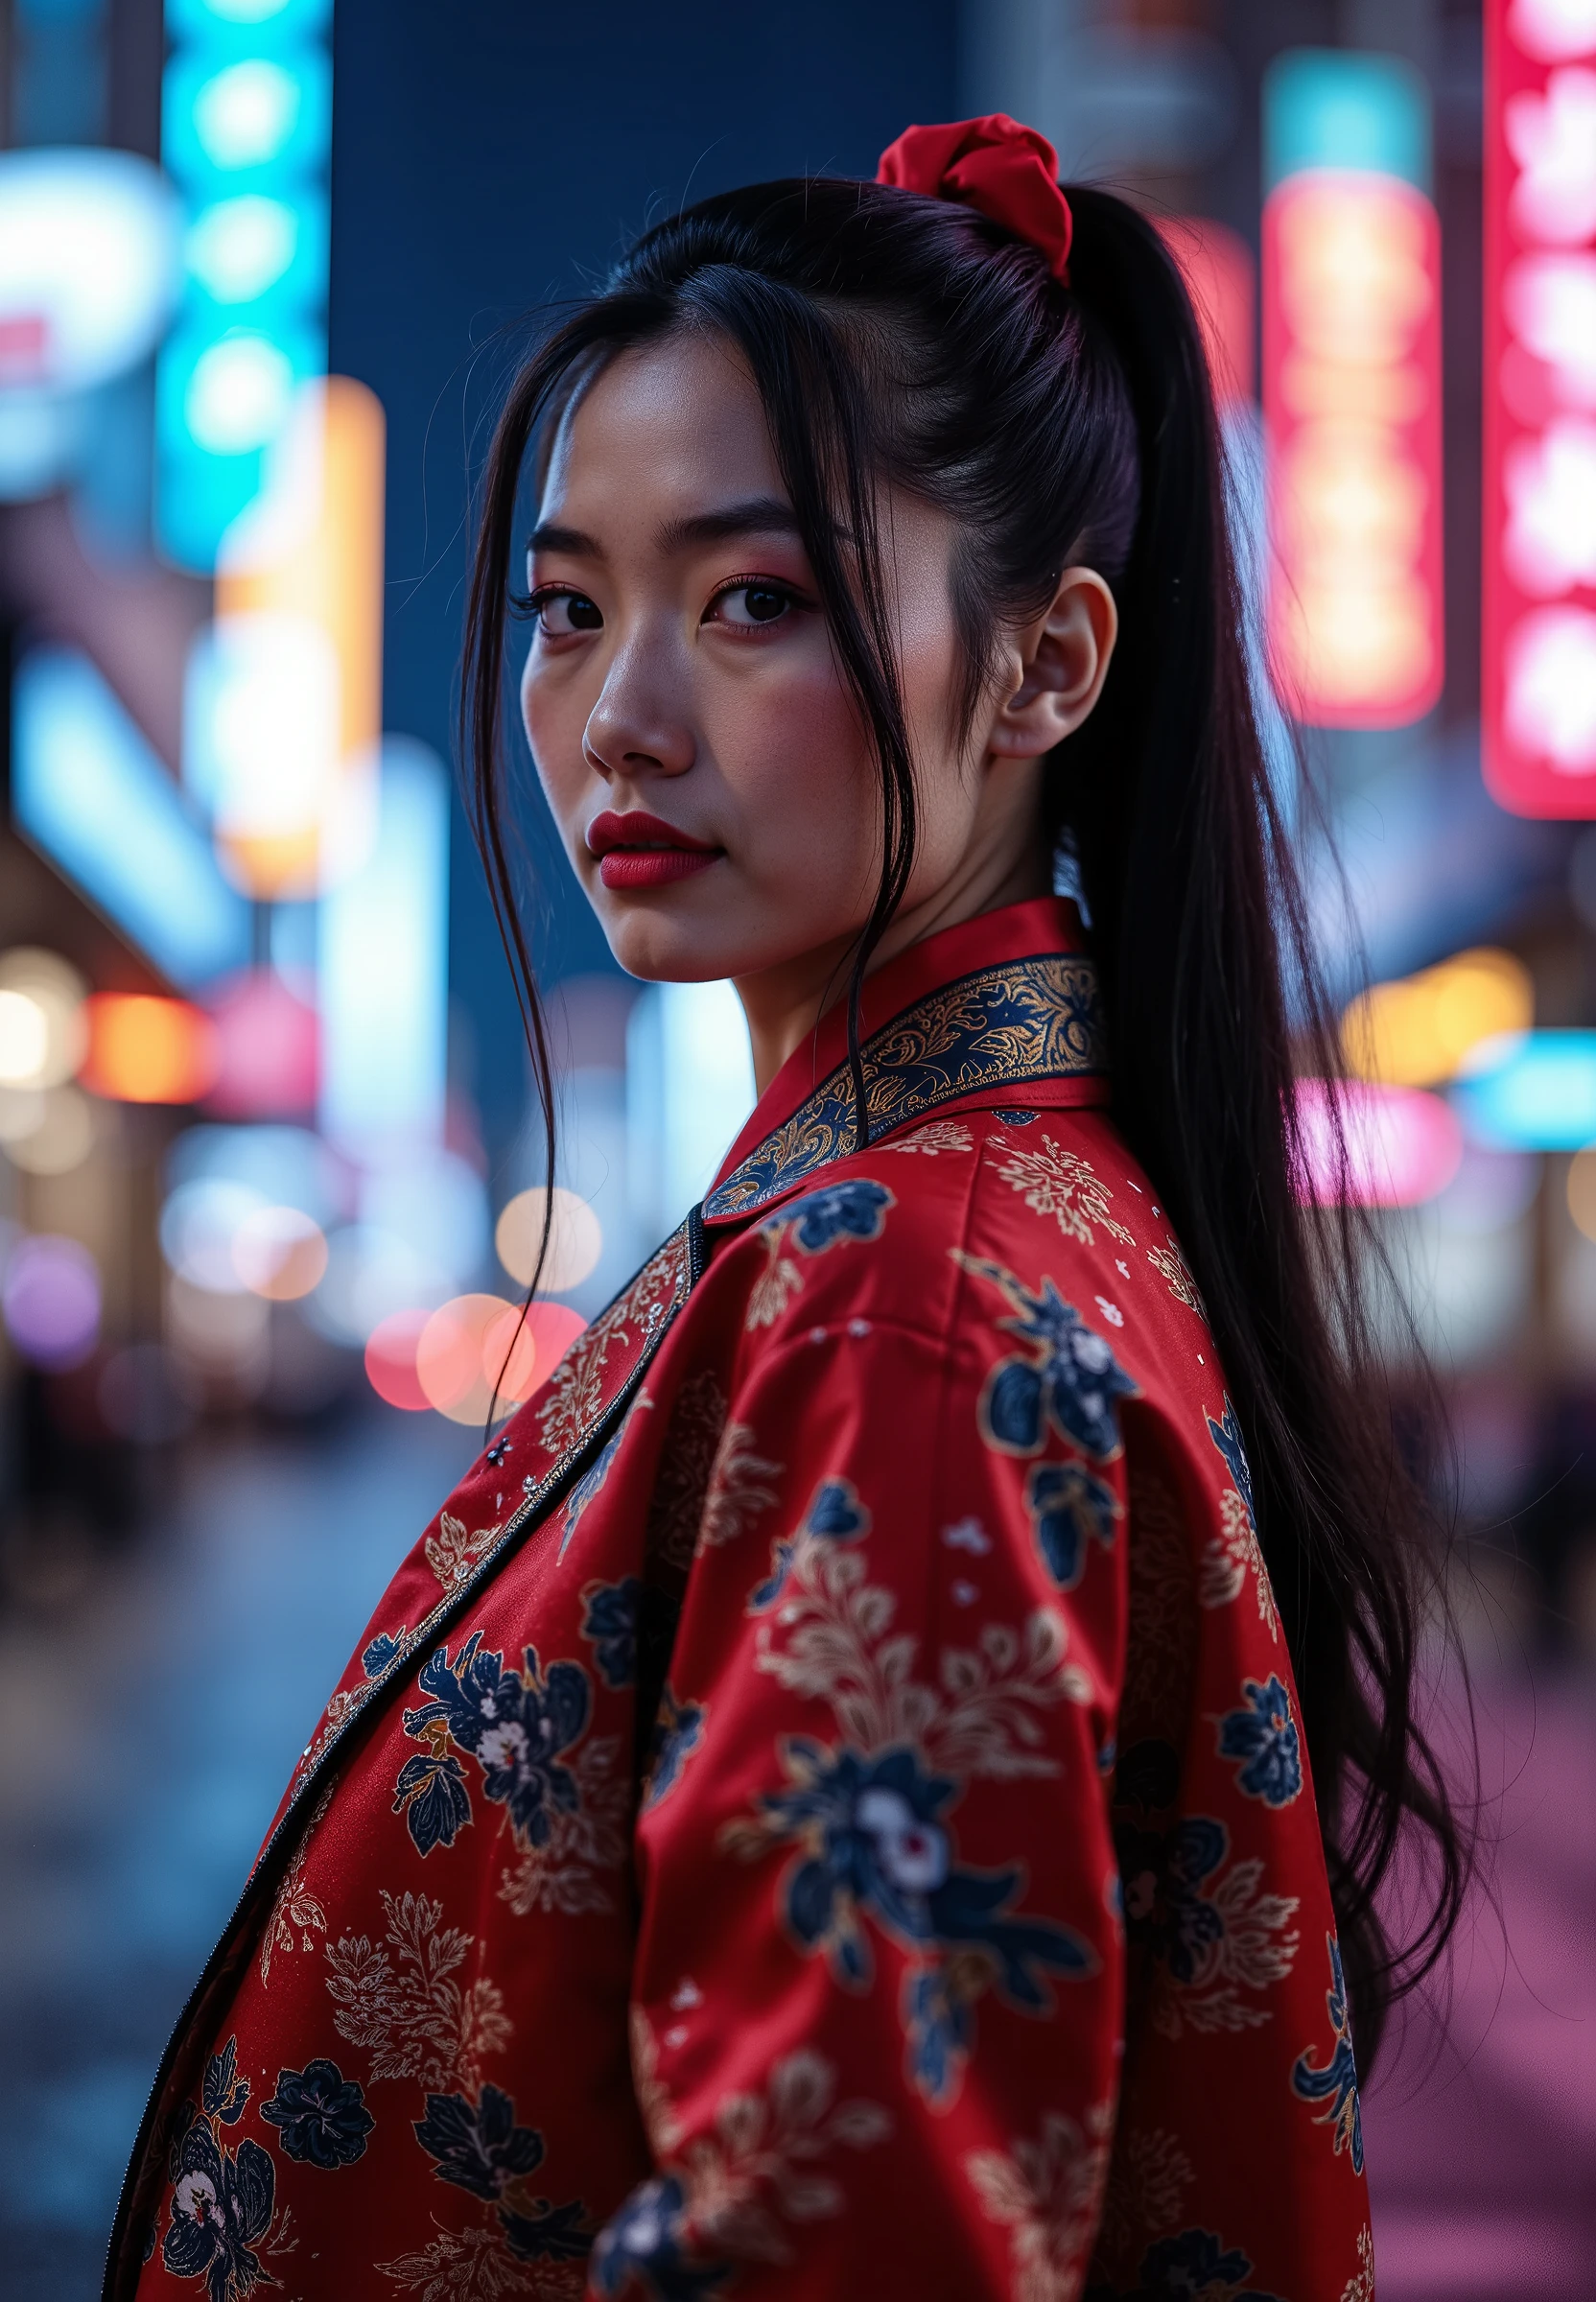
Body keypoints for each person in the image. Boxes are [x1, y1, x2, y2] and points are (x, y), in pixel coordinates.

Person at [107, 116, 1462, 2302]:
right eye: (567, 609)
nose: (619, 717)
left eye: (752, 600)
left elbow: (856, 2244)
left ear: (1043, 665)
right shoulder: (968, 1216)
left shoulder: (900, 1300)